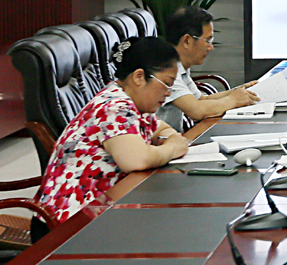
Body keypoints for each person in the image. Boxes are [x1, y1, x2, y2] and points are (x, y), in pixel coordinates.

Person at [36, 37, 191, 223]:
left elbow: (161, 128)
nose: (168, 92)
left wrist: (170, 139)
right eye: (167, 83)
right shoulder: (114, 107)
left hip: (99, 209)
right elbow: (137, 160)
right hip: (68, 222)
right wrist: (173, 147)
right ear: (139, 77)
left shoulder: (132, 102)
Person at [157, 6, 259, 128]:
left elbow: (202, 100)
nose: (211, 47)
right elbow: (197, 110)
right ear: (187, 41)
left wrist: (239, 91)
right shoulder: (165, 68)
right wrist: (233, 100)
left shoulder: (178, 65)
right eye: (207, 40)